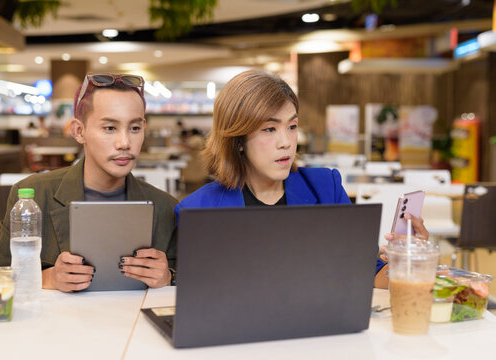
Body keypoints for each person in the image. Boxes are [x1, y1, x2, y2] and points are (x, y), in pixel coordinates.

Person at [175, 70, 429, 289]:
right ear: (237, 140)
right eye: (269, 129)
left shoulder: (324, 187)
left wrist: (410, 256)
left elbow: (372, 275)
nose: (286, 142)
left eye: (292, 126)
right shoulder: (196, 210)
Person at [0, 73, 178, 292]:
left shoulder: (165, 207)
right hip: (59, 325)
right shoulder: (34, 196)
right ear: (79, 131)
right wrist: (47, 279)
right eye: (110, 128)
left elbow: (190, 282)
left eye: (135, 128)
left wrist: (168, 278)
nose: (125, 142)